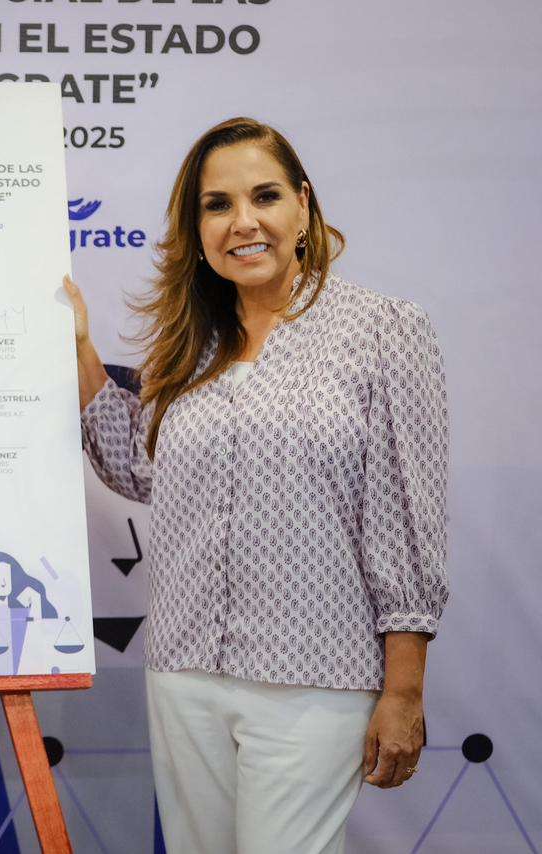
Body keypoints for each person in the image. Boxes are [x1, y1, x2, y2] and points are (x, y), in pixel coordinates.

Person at [64, 117, 449, 854]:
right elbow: (140, 468)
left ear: (303, 205)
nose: (243, 222)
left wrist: (404, 690)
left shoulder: (382, 331)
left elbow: (406, 521)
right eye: (217, 205)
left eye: (264, 196)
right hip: (183, 673)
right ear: (197, 228)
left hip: (314, 678)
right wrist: (80, 347)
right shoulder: (191, 342)